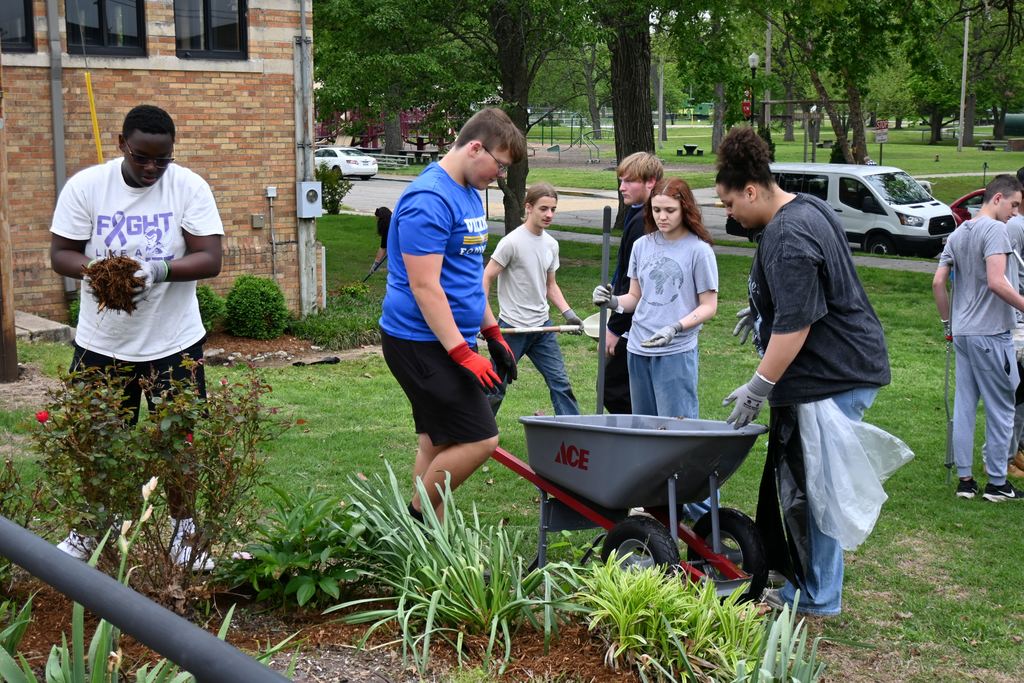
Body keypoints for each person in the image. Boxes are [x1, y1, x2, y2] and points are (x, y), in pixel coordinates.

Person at [716, 125, 890, 616]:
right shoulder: (805, 207)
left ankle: (817, 597)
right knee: (807, 487)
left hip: (830, 376)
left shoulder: (787, 236)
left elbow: (797, 327)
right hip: (838, 370)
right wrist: (760, 310)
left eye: (730, 205)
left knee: (816, 494)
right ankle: (810, 587)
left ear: (751, 191)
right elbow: (806, 296)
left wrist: (758, 386)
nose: (729, 215)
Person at [49, 104, 224, 568]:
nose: (151, 168)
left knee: (178, 438)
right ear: (122, 144)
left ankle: (185, 533)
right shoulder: (87, 186)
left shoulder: (188, 186)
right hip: (101, 342)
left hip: (174, 341)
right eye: (141, 157)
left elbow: (210, 257)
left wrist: (159, 269)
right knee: (99, 436)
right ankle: (93, 527)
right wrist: (97, 272)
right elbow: (60, 253)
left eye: (161, 159)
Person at [379, 107, 526, 523]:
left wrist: (492, 332)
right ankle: (414, 519)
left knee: (435, 442)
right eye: (499, 165)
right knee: (481, 438)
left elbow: (465, 277)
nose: (499, 175)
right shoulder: (429, 199)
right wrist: (464, 354)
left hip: (447, 339)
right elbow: (426, 287)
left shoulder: (466, 191)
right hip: (418, 343)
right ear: (475, 148)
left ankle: (428, 549)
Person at [592, 177, 718, 419]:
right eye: (657, 210)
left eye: (670, 210)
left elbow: (709, 306)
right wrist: (613, 302)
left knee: (676, 425)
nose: (662, 217)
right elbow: (634, 297)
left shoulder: (699, 251)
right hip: (638, 347)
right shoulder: (641, 245)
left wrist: (676, 327)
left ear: (685, 209)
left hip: (676, 349)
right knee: (643, 422)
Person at [933, 173, 1024, 502]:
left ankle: (966, 481)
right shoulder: (996, 230)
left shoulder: (959, 232)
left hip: (963, 334)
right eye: (1014, 205)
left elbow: (938, 283)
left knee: (965, 406)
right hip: (990, 335)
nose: (1015, 212)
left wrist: (948, 322)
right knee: (1002, 408)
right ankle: (998, 483)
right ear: (997, 198)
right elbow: (997, 282)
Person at [483, 183, 582, 416]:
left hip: (542, 329)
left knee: (561, 383)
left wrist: (569, 314)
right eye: (543, 208)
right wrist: (483, 320)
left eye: (553, 209)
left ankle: (574, 432)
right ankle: (477, 434)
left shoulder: (551, 244)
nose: (549, 214)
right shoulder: (511, 242)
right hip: (511, 328)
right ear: (529, 207)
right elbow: (485, 278)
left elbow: (550, 285)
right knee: (496, 386)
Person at [603, 152, 664, 414]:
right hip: (628, 314)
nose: (621, 187)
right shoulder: (638, 213)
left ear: (650, 182)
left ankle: (638, 440)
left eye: (629, 182)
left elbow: (636, 283)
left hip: (637, 321)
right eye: (621, 181)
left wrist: (616, 328)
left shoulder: (645, 221)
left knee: (613, 389)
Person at [1002, 166, 1024, 477]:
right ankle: (1005, 455)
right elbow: (1005, 275)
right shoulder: (1015, 227)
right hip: (1017, 321)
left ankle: (1017, 449)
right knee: (1015, 392)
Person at [367, 206, 392, 277]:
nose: (377, 221)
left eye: (377, 219)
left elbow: (383, 247)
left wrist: (375, 264)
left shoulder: (387, 228)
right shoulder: (393, 222)